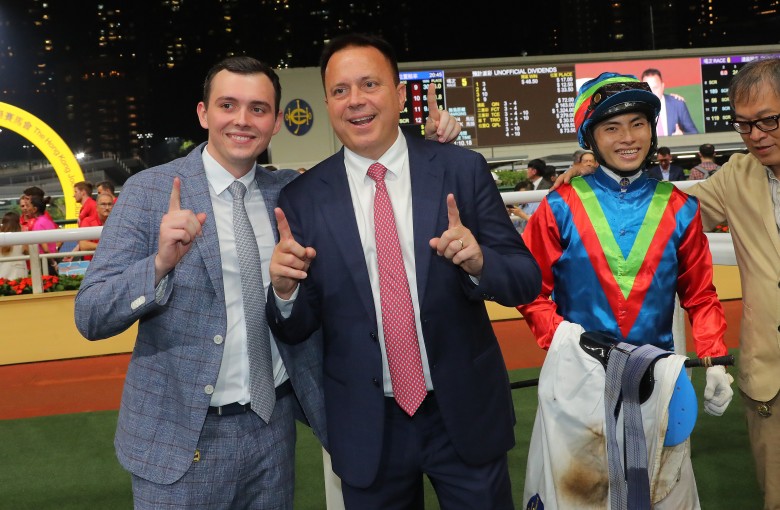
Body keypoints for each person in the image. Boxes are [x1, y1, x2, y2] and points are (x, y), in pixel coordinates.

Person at [74, 53, 460, 509]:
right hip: (181, 439)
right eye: (227, 105)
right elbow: (91, 314)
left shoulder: (289, 194)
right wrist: (158, 265)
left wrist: (429, 146)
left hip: (271, 432)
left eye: (258, 109)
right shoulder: (149, 192)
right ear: (204, 114)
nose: (242, 120)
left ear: (276, 122)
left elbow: (364, 171)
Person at [266, 33, 541, 510]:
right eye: (339, 90)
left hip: (464, 413)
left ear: (397, 92)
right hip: (367, 427)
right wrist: (285, 292)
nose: (355, 102)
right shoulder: (302, 199)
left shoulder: (462, 170)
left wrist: (479, 264)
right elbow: (297, 327)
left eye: (369, 84)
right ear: (328, 103)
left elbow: (525, 278)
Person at [518, 72, 733, 508]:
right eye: (611, 127)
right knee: (578, 497)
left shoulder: (680, 207)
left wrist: (713, 359)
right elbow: (529, 290)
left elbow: (701, 296)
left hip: (657, 382)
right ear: (591, 138)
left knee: (660, 495)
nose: (628, 138)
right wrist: (564, 341)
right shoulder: (557, 207)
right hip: (577, 384)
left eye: (637, 123)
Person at [641, 68, 699, 135]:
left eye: (655, 88)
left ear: (662, 86)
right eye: (648, 88)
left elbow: (694, 133)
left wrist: (682, 136)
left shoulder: (677, 104)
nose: (652, 92)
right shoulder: (636, 108)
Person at [77, 193, 115, 260]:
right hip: (92, 263)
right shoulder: (87, 221)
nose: (107, 208)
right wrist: (107, 246)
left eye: (110, 204)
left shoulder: (118, 222)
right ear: (96, 207)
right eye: (103, 204)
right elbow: (83, 245)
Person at [28, 195, 59, 275]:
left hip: (45, 262)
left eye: (29, 206)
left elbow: (45, 249)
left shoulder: (38, 224)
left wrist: (53, 263)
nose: (27, 209)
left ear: (35, 209)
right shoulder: (48, 221)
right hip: (52, 258)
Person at [0, 212, 28, 280]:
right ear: (17, 223)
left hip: (2, 274)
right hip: (18, 275)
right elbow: (26, 252)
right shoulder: (22, 236)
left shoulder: (1, 237)